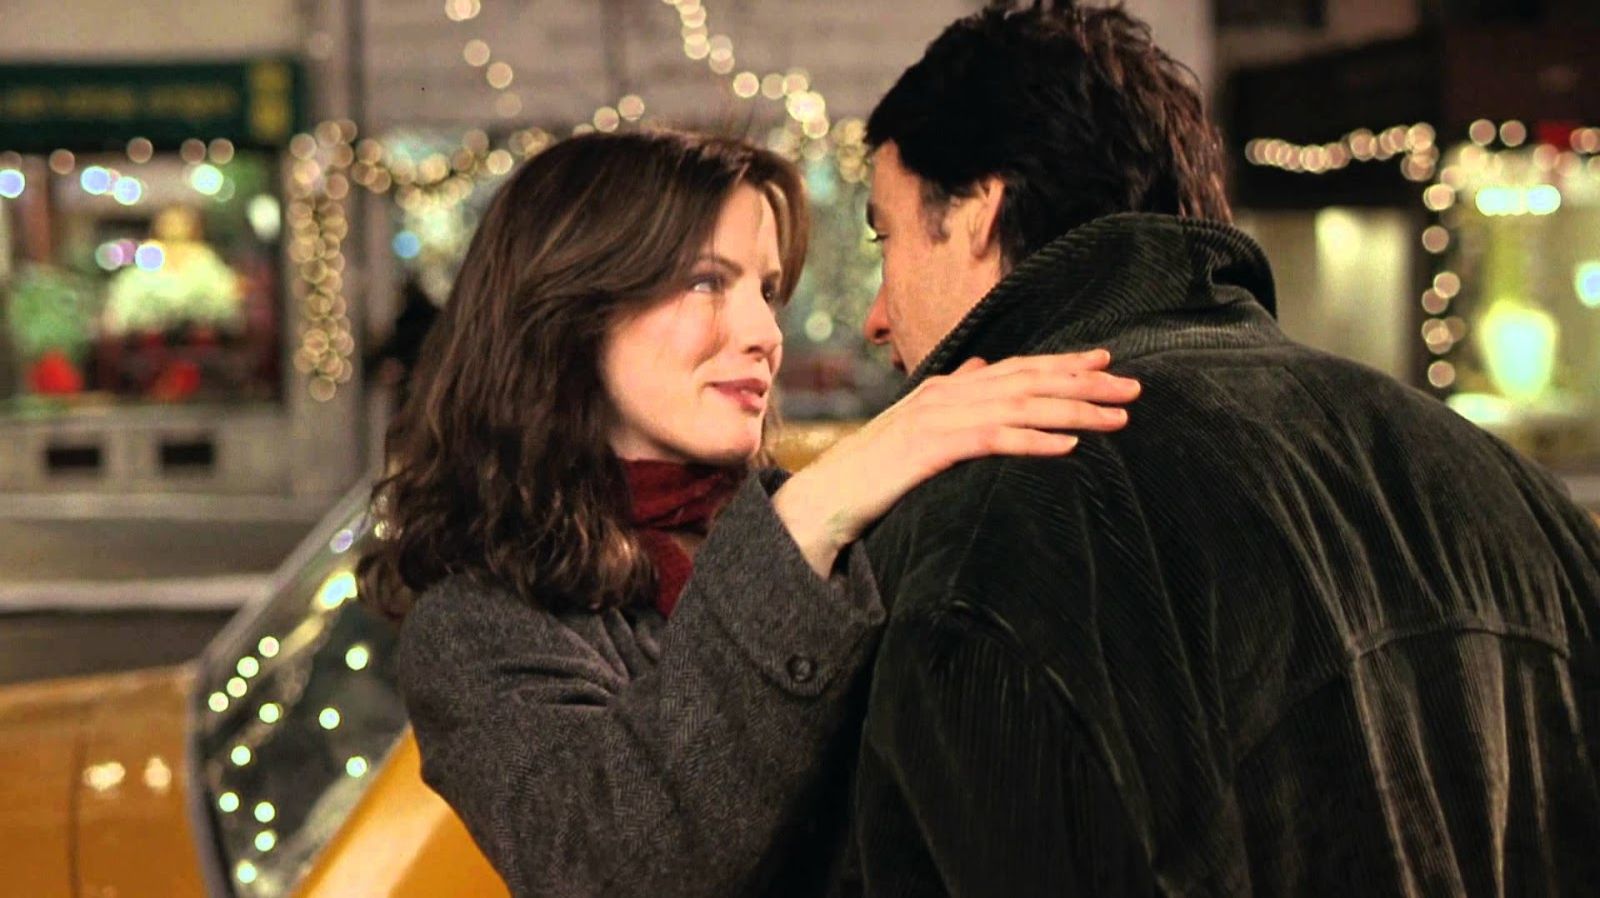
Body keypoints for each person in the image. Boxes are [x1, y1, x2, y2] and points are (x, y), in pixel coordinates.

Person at [848, 1, 1600, 895]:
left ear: (979, 209)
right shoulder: (1517, 496)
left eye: (884, 237)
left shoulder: (981, 536)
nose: (877, 318)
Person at [356, 129, 1141, 898]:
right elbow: (612, 869)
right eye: (707, 282)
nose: (766, 335)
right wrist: (811, 516)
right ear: (571, 309)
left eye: (766, 291)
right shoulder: (476, 623)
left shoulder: (823, 534)